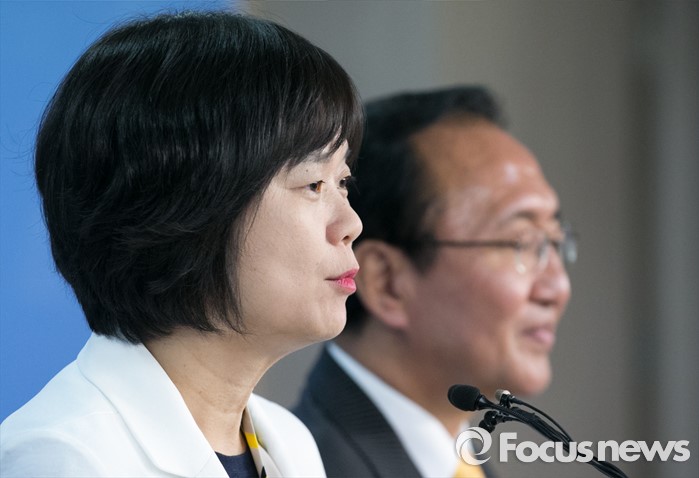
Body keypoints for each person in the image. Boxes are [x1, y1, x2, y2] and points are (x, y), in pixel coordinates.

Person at [0, 11, 364, 478]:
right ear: (186, 207)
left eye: (343, 181)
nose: (350, 224)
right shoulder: (62, 458)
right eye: (313, 184)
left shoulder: (289, 440)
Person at [293, 86, 576, 478]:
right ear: (387, 282)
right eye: (522, 243)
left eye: (555, 243)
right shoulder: (308, 467)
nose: (558, 289)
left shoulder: (460, 460)